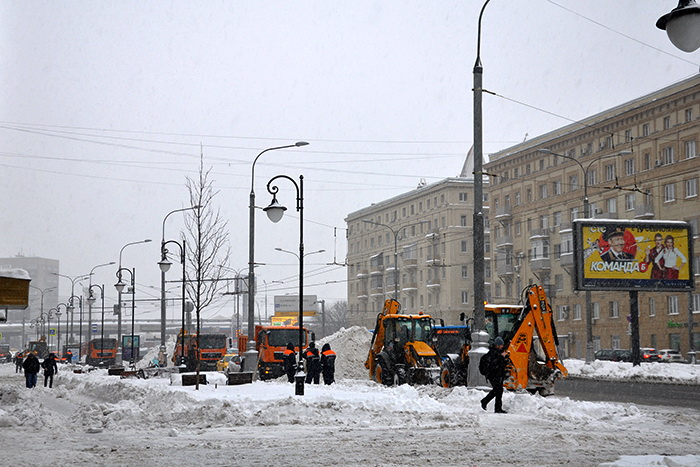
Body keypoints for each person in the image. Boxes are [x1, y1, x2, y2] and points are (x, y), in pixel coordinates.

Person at [479, 337, 509, 414]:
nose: (502, 346)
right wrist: (501, 357)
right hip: (493, 375)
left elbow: (501, 364)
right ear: (497, 345)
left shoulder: (499, 352)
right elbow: (494, 364)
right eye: (501, 345)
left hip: (499, 374)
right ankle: (485, 401)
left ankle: (497, 408)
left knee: (499, 390)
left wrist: (504, 359)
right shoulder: (492, 353)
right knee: (497, 390)